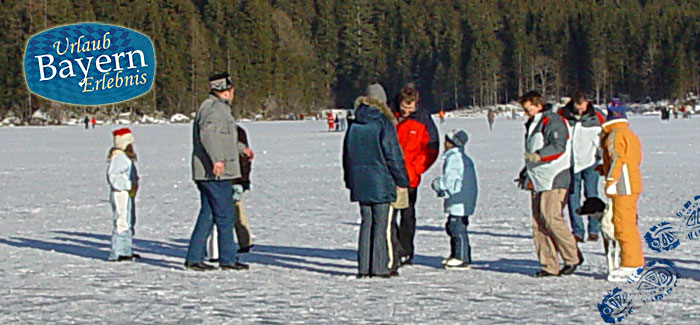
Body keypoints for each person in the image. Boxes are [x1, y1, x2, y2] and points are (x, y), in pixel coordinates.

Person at [185, 72, 253, 271]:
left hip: (210, 173)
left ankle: (195, 257)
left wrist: (242, 150)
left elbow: (225, 138)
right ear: (227, 91)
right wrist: (217, 160)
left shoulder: (215, 109)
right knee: (225, 215)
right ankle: (227, 258)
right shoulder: (214, 110)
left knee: (208, 214)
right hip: (215, 173)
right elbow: (209, 136)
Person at [343, 83, 409, 278]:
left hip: (360, 181)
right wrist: (402, 179)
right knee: (382, 224)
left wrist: (349, 180)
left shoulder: (354, 123)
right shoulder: (383, 122)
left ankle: (364, 267)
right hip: (382, 181)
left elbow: (347, 156)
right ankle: (381, 267)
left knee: (367, 224)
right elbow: (392, 154)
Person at [516, 91, 581, 277]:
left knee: (551, 217)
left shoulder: (553, 121)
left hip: (555, 176)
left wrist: (540, 156)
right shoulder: (533, 124)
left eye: (528, 109)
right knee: (538, 222)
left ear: (538, 105)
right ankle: (548, 265)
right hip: (537, 178)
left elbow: (558, 146)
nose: (526, 113)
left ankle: (572, 256)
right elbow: (531, 150)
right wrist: (526, 171)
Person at [392, 85, 439, 266]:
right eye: (404, 108)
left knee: (407, 215)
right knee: (389, 215)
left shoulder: (423, 119)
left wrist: (415, 168)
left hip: (410, 176)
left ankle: (406, 250)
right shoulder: (390, 114)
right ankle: (393, 247)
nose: (406, 111)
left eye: (410, 109)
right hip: (390, 174)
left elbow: (431, 148)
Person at [598, 99, 644, 282]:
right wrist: (604, 169)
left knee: (623, 225)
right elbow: (633, 159)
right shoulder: (628, 134)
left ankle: (632, 264)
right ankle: (632, 262)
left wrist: (610, 179)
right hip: (632, 182)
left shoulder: (614, 135)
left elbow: (618, 159)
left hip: (623, 186)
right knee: (627, 223)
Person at [559, 91, 605, 243]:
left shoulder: (597, 116)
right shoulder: (563, 115)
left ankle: (594, 229)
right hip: (571, 163)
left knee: (592, 194)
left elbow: (603, 137)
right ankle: (577, 231)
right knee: (573, 197)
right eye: (577, 108)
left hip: (591, 162)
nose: (580, 111)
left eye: (582, 107)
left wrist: (601, 155)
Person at [430, 129, 478, 269]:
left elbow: (450, 180)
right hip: (461, 198)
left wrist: (437, 184)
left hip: (459, 199)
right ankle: (457, 254)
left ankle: (461, 257)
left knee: (456, 227)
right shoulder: (458, 157)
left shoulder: (454, 158)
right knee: (454, 226)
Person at [207, 125, 255, 261]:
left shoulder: (236, 132)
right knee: (235, 211)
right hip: (228, 178)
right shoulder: (220, 133)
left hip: (234, 180)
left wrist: (242, 180)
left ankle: (243, 243)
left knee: (234, 212)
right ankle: (242, 243)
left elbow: (244, 160)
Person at [106, 127, 140, 262]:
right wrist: (127, 185)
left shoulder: (125, 157)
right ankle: (117, 251)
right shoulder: (119, 157)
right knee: (122, 221)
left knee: (128, 220)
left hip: (127, 193)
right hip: (120, 193)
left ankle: (126, 249)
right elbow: (114, 176)